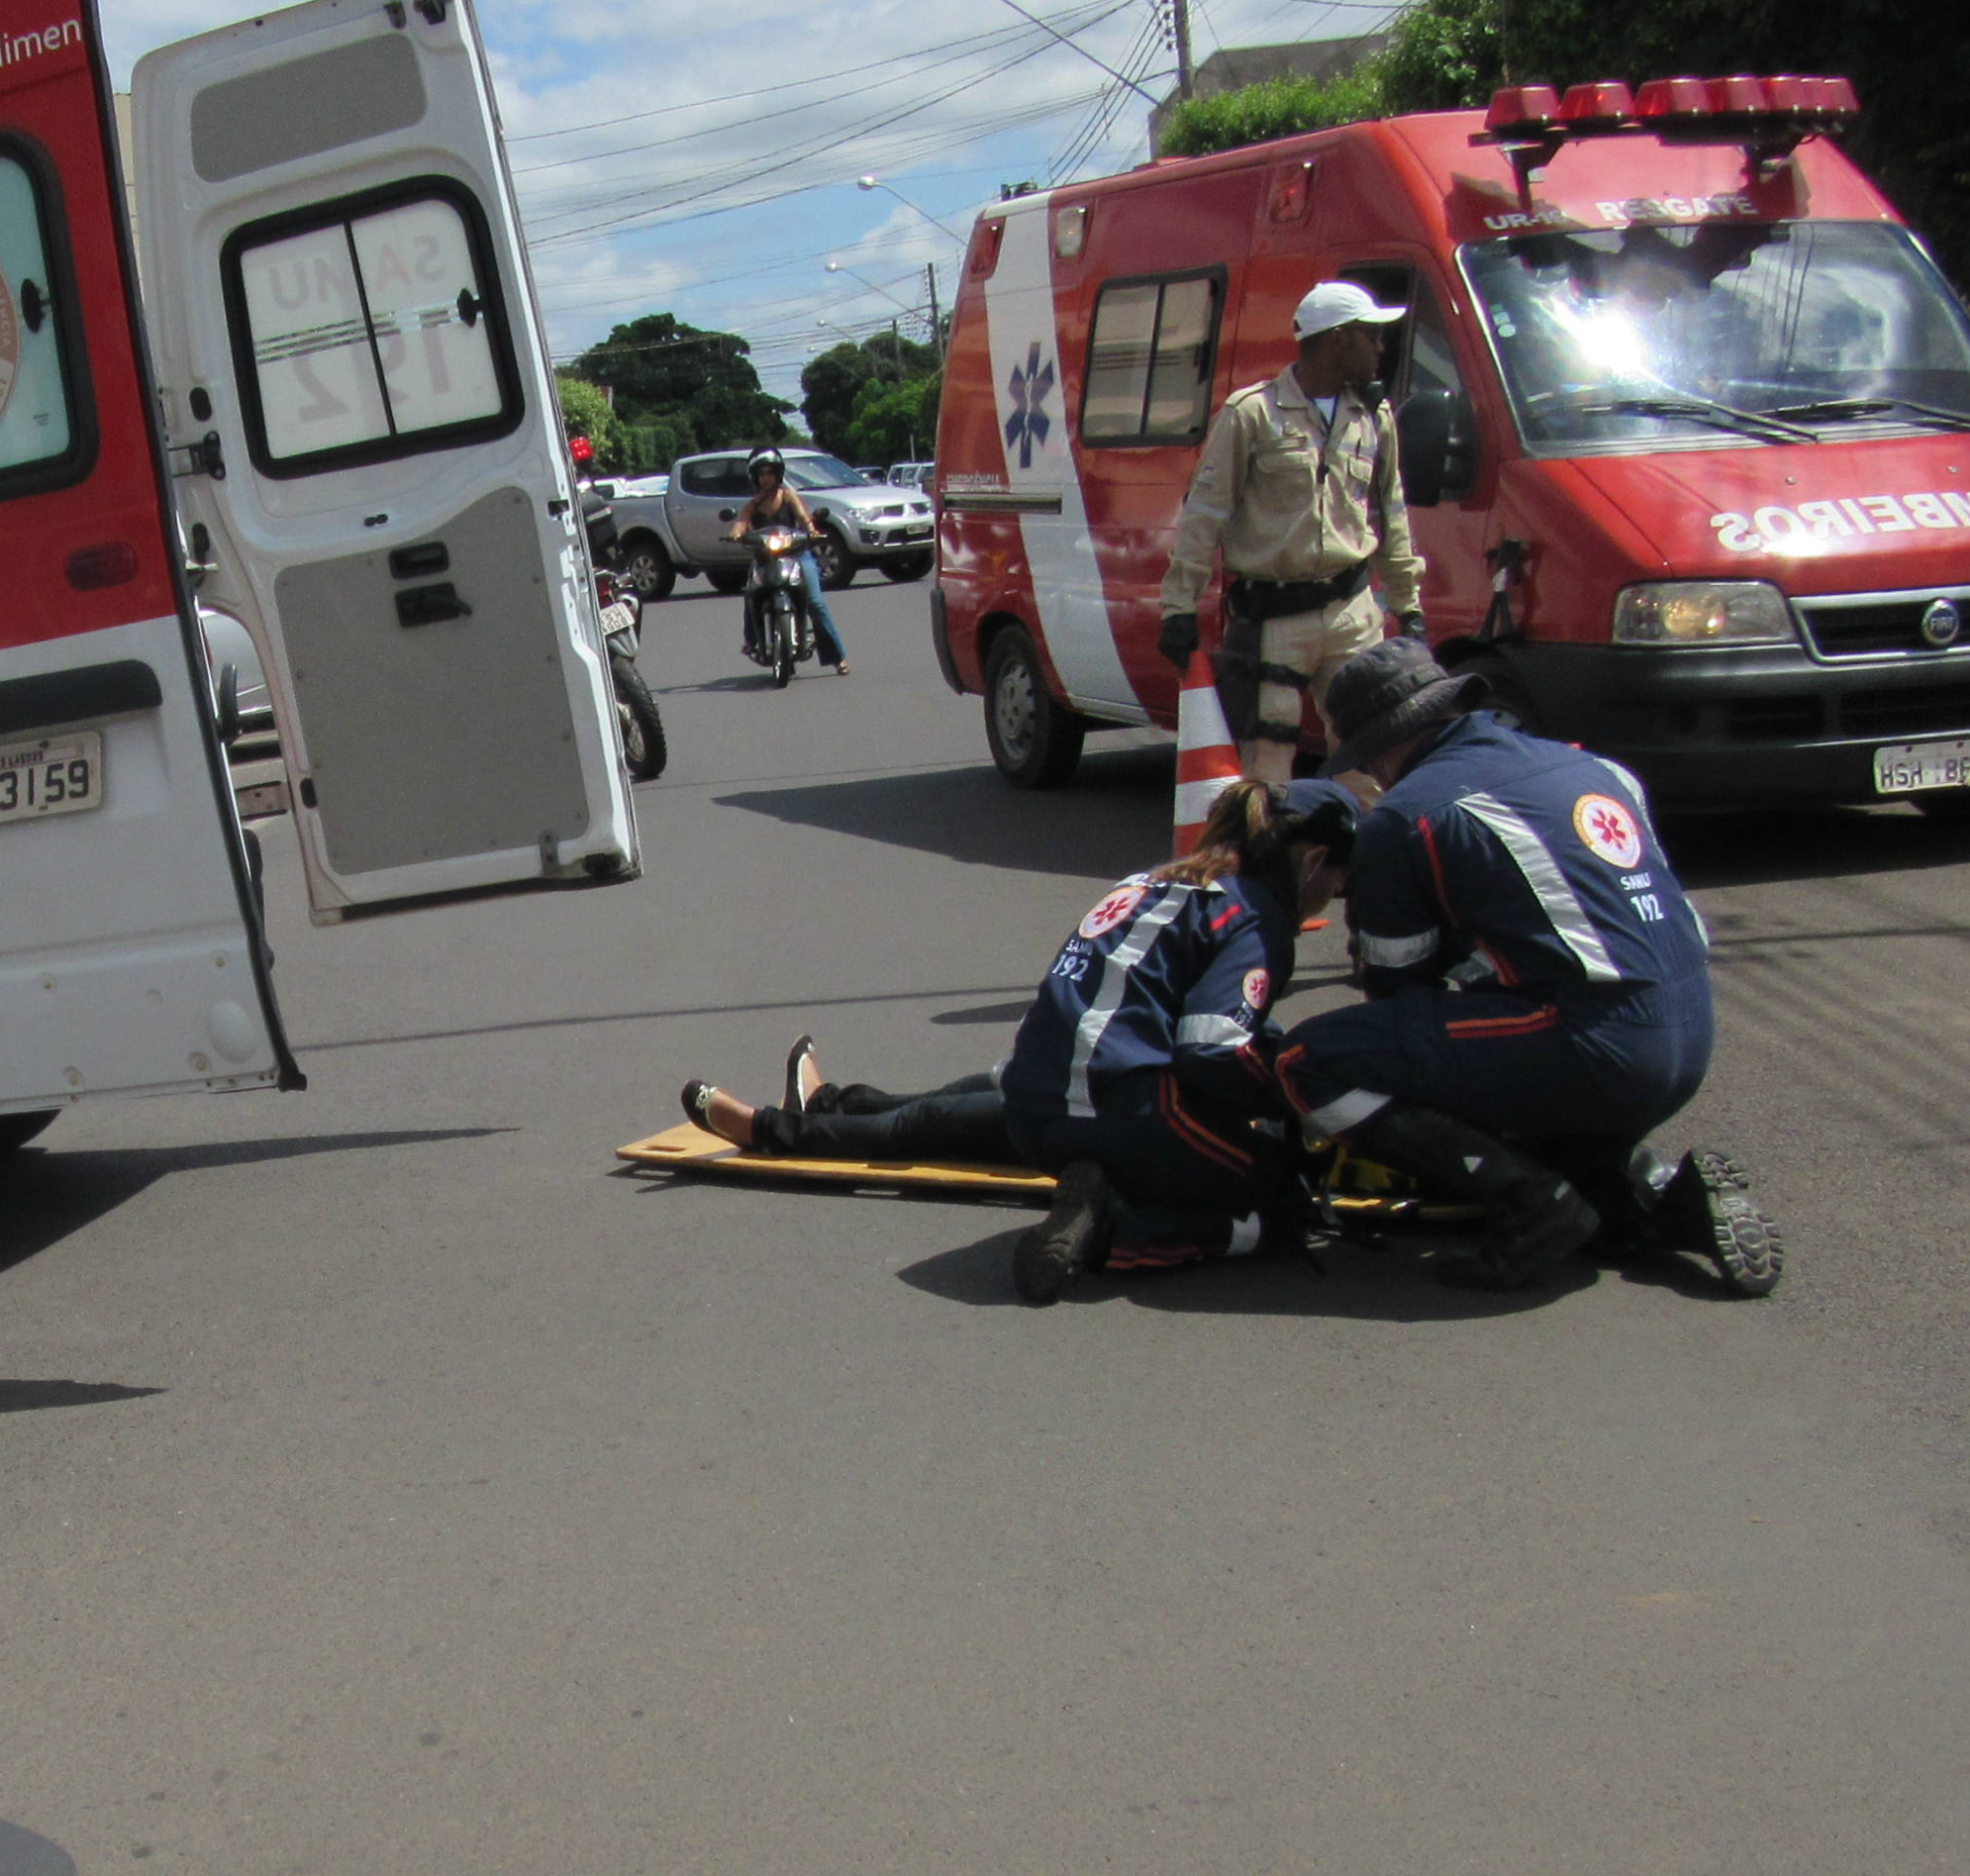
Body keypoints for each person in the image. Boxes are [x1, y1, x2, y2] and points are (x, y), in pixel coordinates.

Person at [677, 777, 1359, 1298]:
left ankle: (780, 1124)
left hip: (1039, 1099)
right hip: (1123, 1111)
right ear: (1314, 860)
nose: (1333, 897)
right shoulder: (1258, 919)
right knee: (1282, 1196)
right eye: (1338, 882)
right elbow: (1211, 1050)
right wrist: (1292, 1101)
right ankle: (1115, 1228)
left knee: (938, 1117)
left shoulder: (1156, 881)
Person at [1270, 639, 1779, 1295]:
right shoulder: (1596, 768)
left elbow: (1395, 987)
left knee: (1314, 1062)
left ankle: (1532, 1206)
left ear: (1382, 746)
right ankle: (1658, 1201)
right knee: (1524, 1086)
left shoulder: (1407, 816)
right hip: (1688, 1034)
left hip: (1595, 1044)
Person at [1156, 279, 1425, 788]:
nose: (1381, 347)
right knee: (1265, 765)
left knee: (1369, 757)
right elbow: (1204, 514)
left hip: (1352, 611)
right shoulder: (1252, 414)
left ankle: (1359, 861)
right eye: (1371, 335)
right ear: (1339, 339)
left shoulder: (1373, 415)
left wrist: (1408, 607)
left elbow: (1391, 514)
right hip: (1275, 619)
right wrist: (1179, 608)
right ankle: (1266, 863)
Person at [733, 447, 846, 675]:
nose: (766, 477)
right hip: (765, 559)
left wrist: (812, 530)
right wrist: (736, 533)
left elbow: (804, 517)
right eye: (762, 473)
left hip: (796, 554)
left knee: (815, 603)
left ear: (778, 474)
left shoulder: (788, 496)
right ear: (755, 476)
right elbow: (740, 522)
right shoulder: (751, 505)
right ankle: (752, 640)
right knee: (751, 593)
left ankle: (837, 656)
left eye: (771, 472)